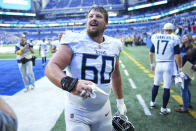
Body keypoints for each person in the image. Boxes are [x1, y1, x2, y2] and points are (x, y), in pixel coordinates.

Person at [45, 6, 127, 131]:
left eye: (98, 16)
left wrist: (120, 101)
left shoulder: (115, 45)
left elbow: (115, 74)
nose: (93, 18)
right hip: (77, 112)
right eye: (90, 16)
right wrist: (71, 84)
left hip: (104, 109)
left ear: (106, 23)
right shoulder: (74, 40)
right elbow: (51, 67)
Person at [149, 23, 182, 115]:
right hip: (169, 65)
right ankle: (163, 109)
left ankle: (152, 103)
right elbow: (177, 55)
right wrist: (180, 68)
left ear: (163, 30)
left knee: (156, 84)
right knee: (166, 88)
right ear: (172, 30)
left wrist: (152, 64)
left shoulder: (156, 37)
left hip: (158, 64)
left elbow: (151, 53)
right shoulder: (174, 38)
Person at [175, 34, 196, 113]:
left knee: (183, 88)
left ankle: (185, 107)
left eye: (185, 37)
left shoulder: (193, 48)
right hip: (182, 68)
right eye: (183, 37)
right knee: (185, 87)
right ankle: (187, 103)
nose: (183, 38)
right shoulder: (181, 47)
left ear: (189, 38)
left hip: (189, 68)